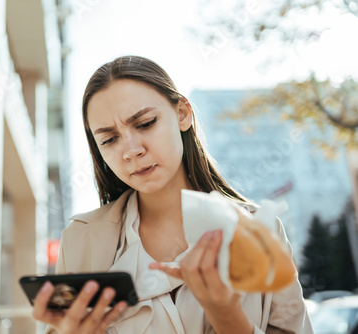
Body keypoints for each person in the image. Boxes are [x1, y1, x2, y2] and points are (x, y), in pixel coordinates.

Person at [32, 55, 314, 334]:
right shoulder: (80, 240)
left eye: (145, 123)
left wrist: (227, 316)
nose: (131, 151)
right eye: (109, 139)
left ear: (182, 114)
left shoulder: (261, 230)